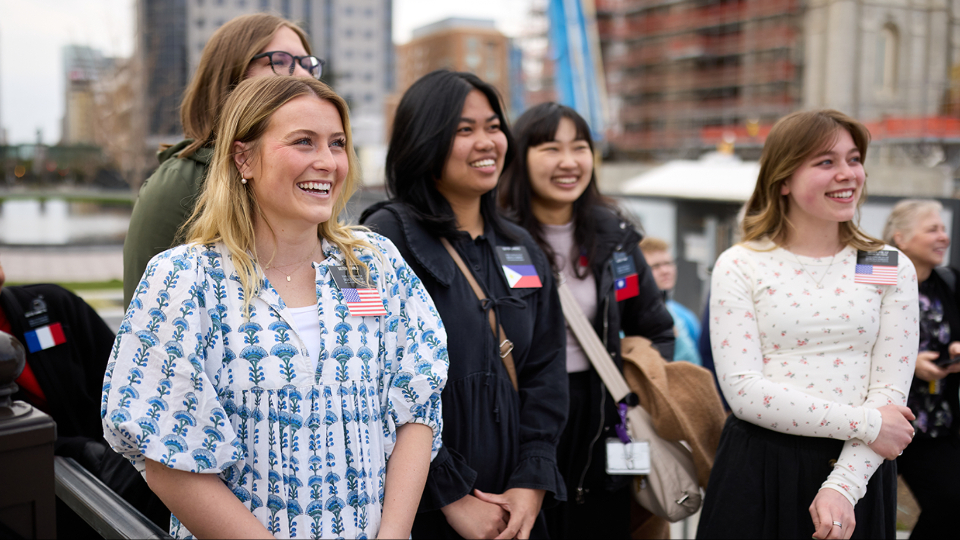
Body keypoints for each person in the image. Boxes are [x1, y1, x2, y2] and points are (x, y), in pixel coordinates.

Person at [102, 76, 448, 539]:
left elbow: (417, 402)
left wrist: (394, 534)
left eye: (337, 143)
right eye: (303, 142)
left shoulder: (371, 262)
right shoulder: (185, 279)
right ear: (243, 157)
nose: (327, 162)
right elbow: (167, 451)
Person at [361, 70, 568, 540]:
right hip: (418, 511)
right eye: (464, 129)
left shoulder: (522, 246)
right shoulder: (374, 241)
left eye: (494, 127)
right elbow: (365, 380)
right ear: (424, 140)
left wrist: (530, 483)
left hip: (514, 513)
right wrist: (450, 495)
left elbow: (547, 369)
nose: (487, 142)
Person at [697, 109, 919, 540]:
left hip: (859, 469)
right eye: (825, 162)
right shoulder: (741, 264)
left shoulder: (887, 264)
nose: (847, 174)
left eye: (853, 159)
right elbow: (743, 390)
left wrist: (843, 486)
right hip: (759, 466)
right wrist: (868, 424)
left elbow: (890, 390)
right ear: (783, 179)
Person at [497, 102, 674, 539]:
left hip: (601, 412)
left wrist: (636, 386)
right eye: (550, 148)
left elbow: (656, 329)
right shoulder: (496, 236)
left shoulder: (614, 238)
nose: (569, 162)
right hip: (526, 413)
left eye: (579, 147)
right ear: (520, 157)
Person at [123, 13, 324, 307]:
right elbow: (146, 319)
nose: (303, 76)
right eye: (280, 61)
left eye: (309, 64)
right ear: (231, 76)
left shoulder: (315, 171)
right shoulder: (180, 181)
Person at [0, 254, 169, 536]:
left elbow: (130, 383)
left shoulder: (51, 305)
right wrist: (75, 449)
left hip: (118, 466)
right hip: (38, 503)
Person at [882, 199, 960, 538]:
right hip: (881, 418)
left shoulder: (947, 279)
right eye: (932, 229)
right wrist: (910, 363)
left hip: (933, 423)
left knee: (952, 503)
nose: (943, 237)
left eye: (943, 228)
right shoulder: (876, 265)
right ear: (900, 237)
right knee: (864, 512)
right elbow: (854, 335)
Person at [639, 237, 702, 365]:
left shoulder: (685, 316)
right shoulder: (630, 319)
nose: (665, 271)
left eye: (668, 263)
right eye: (655, 266)